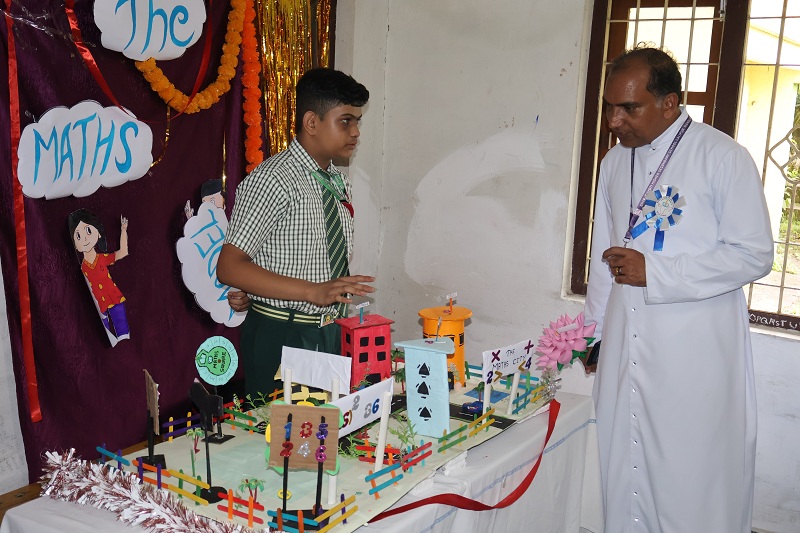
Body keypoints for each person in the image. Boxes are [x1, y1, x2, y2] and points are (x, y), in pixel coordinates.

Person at [583, 47, 773, 532]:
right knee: (622, 460)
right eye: (610, 107)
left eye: (629, 108)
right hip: (624, 338)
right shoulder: (613, 163)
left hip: (694, 349)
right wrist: (594, 335)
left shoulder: (722, 157)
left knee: (691, 469)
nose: (614, 121)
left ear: (670, 103)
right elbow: (605, 254)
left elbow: (754, 254)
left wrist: (658, 272)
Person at [217, 68, 375, 399]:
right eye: (345, 121)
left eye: (357, 121)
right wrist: (312, 291)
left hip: (328, 329)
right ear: (312, 122)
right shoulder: (274, 179)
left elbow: (283, 256)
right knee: (283, 429)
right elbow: (230, 267)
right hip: (283, 331)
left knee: (325, 426)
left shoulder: (336, 180)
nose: (356, 132)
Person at [68, 209, 131, 346]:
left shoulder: (102, 259)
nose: (84, 238)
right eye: (78, 235)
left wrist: (123, 230)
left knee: (123, 334)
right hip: (99, 308)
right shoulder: (83, 268)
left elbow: (123, 252)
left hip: (114, 299)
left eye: (88, 231)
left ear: (98, 233)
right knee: (109, 339)